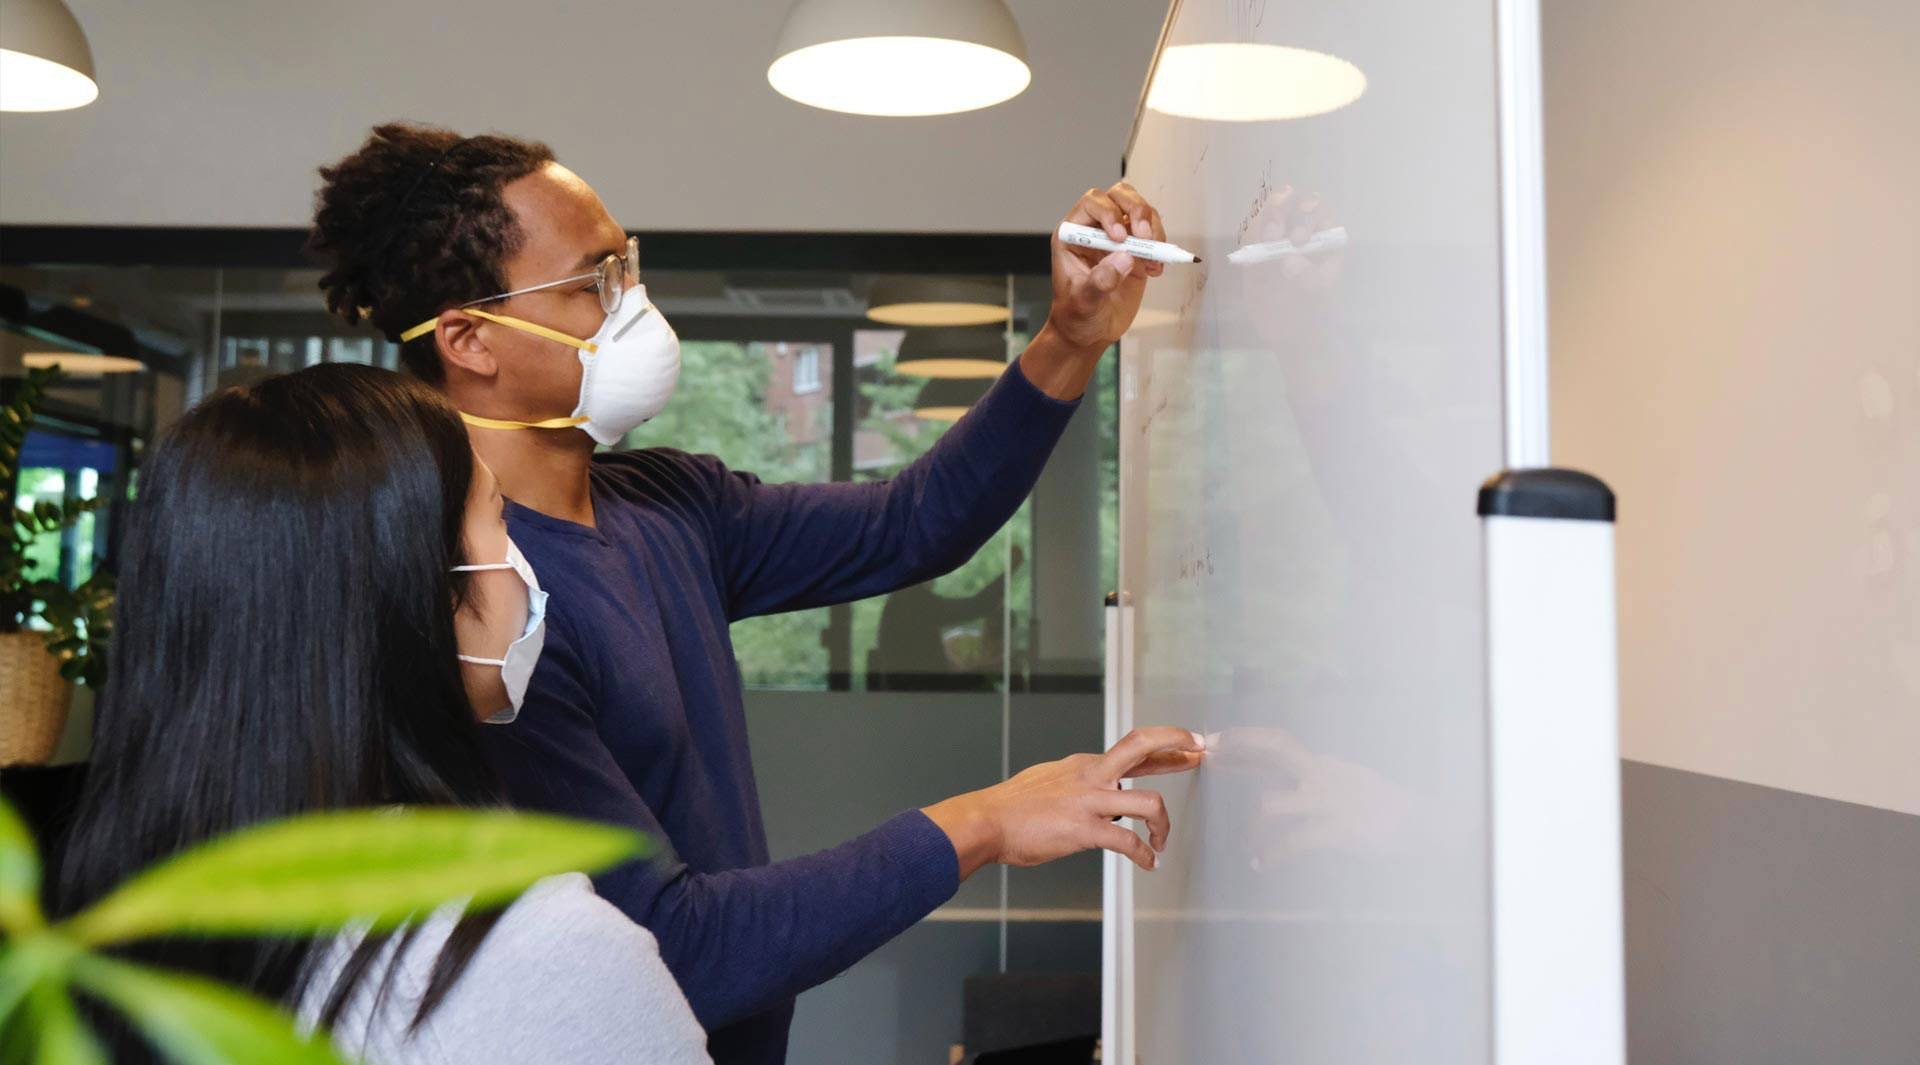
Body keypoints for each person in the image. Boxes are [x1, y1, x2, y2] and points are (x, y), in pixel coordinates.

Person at [308, 123, 1201, 1065]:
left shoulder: (665, 503)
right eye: (590, 285)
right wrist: (984, 820)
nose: (633, 308)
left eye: (628, 267)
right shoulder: (484, 617)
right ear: (469, 340)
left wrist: (1070, 336)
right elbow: (672, 951)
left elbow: (914, 523)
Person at [55, 365, 712, 1065]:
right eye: (497, 517)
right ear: (415, 588)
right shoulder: (539, 952)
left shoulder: (86, 929)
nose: (526, 567)